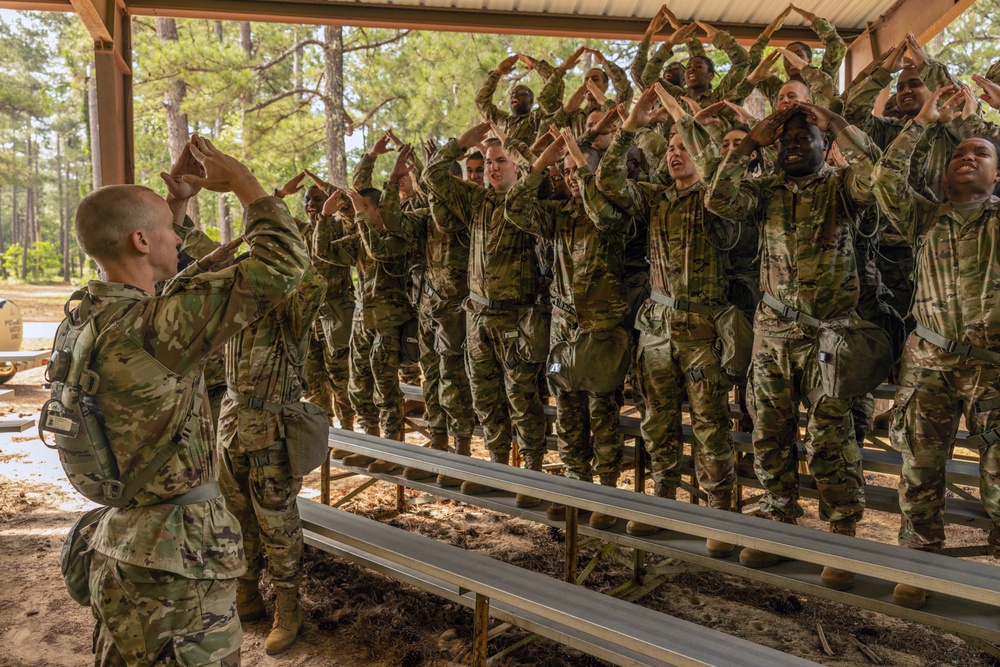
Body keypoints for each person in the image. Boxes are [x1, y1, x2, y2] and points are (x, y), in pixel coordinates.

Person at [78, 134, 307, 665]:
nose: (177, 240)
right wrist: (247, 186)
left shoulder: (90, 314)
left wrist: (174, 206)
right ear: (140, 241)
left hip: (124, 541)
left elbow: (169, 280)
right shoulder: (156, 330)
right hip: (176, 560)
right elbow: (283, 263)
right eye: (167, 232)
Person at [706, 102, 880, 590]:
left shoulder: (842, 188)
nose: (794, 145)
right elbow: (719, 199)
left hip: (829, 334)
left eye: (805, 139)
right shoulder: (766, 192)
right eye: (786, 141)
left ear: (826, 148)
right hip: (774, 332)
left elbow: (878, 174)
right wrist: (750, 144)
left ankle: (842, 534)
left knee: (831, 436)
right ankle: (777, 519)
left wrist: (840, 125)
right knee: (769, 430)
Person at [873, 88, 1000, 610]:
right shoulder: (926, 217)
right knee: (920, 469)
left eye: (982, 153)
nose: (967, 157)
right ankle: (918, 562)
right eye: (958, 153)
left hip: (995, 369)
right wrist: (927, 120)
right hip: (929, 366)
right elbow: (884, 178)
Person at [598, 88, 738, 557]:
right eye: (671, 148)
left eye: (685, 147)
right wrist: (631, 127)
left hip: (702, 334)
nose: (676, 154)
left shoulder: (720, 198)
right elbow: (607, 179)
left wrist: (689, 124)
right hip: (657, 332)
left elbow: (719, 171)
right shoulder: (655, 200)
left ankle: (718, 514)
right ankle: (663, 501)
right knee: (657, 422)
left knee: (709, 425)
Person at [505, 130, 630, 522]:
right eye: (568, 173)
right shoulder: (558, 216)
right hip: (562, 335)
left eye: (579, 171)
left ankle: (606, 493)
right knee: (567, 410)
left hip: (601, 333)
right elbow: (515, 208)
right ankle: (575, 485)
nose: (572, 178)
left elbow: (604, 216)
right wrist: (541, 165)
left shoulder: (613, 213)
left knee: (602, 413)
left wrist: (583, 167)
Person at [424, 123, 548, 502]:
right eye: (489, 162)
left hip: (516, 319)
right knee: (485, 397)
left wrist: (516, 144)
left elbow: (535, 174)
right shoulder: (476, 202)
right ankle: (495, 468)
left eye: (501, 161)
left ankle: (532, 475)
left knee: (522, 398)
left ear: (517, 168)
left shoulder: (528, 203)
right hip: (477, 318)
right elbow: (432, 175)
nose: (493, 168)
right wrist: (461, 143)